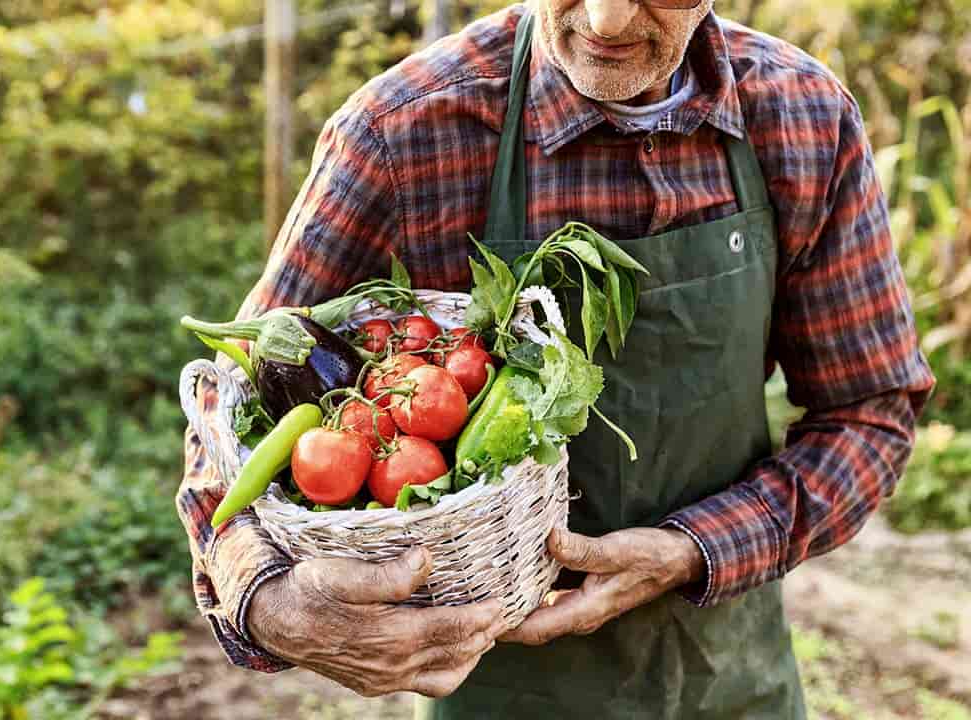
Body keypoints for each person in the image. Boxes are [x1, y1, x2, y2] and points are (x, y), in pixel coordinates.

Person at [175, 0, 936, 716]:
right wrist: (269, 606)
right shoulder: (405, 132)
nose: (605, 20)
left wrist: (695, 549)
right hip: (494, 691)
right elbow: (230, 421)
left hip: (727, 681)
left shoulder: (802, 117)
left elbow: (869, 410)